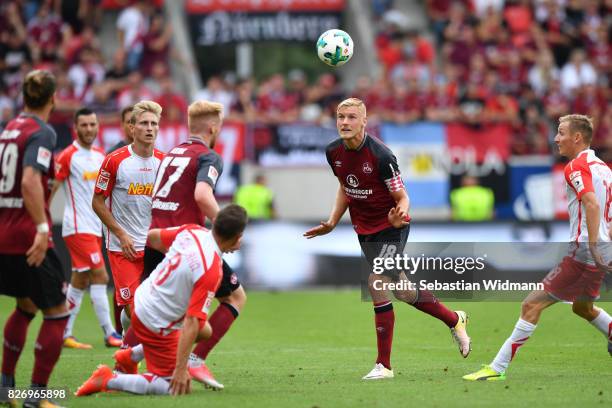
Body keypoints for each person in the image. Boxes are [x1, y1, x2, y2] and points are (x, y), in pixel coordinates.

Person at [304, 98, 471, 380]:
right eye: (340, 117)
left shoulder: (382, 156)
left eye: (351, 117)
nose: (344, 122)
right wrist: (333, 221)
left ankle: (384, 366)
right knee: (404, 292)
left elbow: (403, 197)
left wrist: (400, 215)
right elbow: (346, 187)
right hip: (365, 229)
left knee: (376, 282)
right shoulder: (333, 151)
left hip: (392, 226)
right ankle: (455, 319)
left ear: (364, 121)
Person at [464, 114, 612, 381]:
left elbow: (590, 203)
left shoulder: (575, 167)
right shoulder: (604, 168)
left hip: (584, 251)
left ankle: (496, 368)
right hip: (601, 249)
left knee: (531, 305)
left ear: (577, 138)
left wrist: (593, 244)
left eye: (562, 132)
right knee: (582, 307)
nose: (556, 138)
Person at [75, 205, 248, 397]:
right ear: (237, 237)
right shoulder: (212, 270)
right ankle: (108, 379)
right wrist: (181, 369)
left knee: (205, 330)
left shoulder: (192, 230)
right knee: (174, 387)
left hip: (141, 299)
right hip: (155, 322)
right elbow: (191, 321)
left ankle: (132, 355)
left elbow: (153, 237)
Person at [143, 100, 247, 389]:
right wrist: (228, 228)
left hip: (156, 239)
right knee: (235, 298)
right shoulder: (208, 156)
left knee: (156, 309)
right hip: (186, 244)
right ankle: (195, 360)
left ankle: (125, 359)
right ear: (213, 128)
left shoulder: (172, 153)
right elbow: (202, 195)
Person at [0, 70, 68, 408]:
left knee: (26, 306)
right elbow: (29, 181)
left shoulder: (8, 129)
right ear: (53, 99)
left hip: (3, 233)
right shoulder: (42, 132)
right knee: (57, 312)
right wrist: (43, 228)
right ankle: (38, 396)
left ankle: (5, 387)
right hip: (28, 236)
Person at [92, 100, 164, 348]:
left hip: (153, 248)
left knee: (155, 309)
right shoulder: (115, 160)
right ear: (131, 127)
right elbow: (98, 202)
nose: (149, 128)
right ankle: (136, 355)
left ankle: (126, 351)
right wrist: (121, 234)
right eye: (144, 123)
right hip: (123, 248)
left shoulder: (164, 163)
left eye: (154, 124)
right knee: (137, 311)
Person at [51, 108, 122, 350]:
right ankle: (110, 333)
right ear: (75, 127)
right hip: (77, 226)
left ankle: (64, 333)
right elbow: (51, 190)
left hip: (94, 227)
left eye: (93, 124)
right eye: (84, 125)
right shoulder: (68, 156)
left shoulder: (101, 155)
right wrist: (40, 223)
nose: (89, 129)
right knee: (101, 276)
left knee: (79, 280)